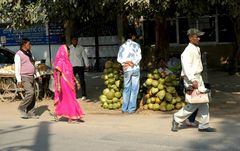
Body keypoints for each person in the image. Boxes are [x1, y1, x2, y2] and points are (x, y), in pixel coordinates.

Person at [171, 28, 215, 132]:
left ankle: (204, 125)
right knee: (194, 104)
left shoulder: (196, 48)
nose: (199, 38)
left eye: (199, 36)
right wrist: (193, 80)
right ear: (190, 38)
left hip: (198, 78)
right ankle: (177, 118)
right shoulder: (187, 51)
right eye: (197, 36)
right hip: (192, 79)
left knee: (204, 101)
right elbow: (186, 67)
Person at [54, 45, 84, 123]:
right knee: (70, 99)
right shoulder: (61, 61)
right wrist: (59, 85)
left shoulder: (68, 61)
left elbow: (71, 73)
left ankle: (57, 113)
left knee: (66, 99)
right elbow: (58, 73)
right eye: (68, 51)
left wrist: (77, 81)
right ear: (64, 51)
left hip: (70, 83)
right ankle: (71, 118)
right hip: (64, 83)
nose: (69, 53)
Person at [117, 29, 142, 114]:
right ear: (133, 36)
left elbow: (119, 59)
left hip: (127, 69)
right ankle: (131, 109)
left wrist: (127, 62)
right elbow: (139, 57)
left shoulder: (122, 46)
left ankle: (124, 108)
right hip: (135, 68)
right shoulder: (137, 45)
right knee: (134, 89)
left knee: (126, 88)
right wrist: (132, 63)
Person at [15, 38, 39, 119]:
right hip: (24, 77)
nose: (30, 46)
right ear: (24, 45)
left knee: (33, 95)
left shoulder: (30, 54)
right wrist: (19, 80)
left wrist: (37, 74)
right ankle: (21, 107)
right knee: (30, 92)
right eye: (29, 44)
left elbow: (33, 65)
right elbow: (17, 68)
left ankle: (30, 112)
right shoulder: (18, 54)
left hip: (32, 76)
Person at [69, 35, 89, 100]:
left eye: (76, 40)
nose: (75, 41)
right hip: (72, 67)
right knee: (72, 81)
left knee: (82, 80)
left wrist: (87, 65)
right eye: (74, 40)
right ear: (71, 41)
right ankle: (73, 94)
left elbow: (85, 57)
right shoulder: (69, 48)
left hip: (80, 66)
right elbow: (67, 58)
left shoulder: (81, 48)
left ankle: (84, 94)